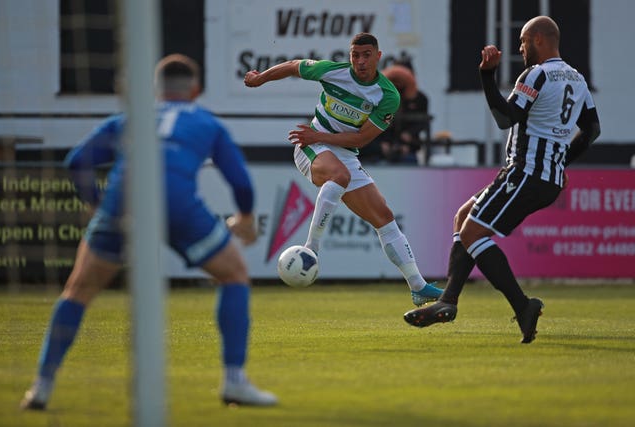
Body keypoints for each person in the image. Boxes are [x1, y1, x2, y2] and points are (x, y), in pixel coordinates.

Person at [20, 54, 277, 409]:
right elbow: (240, 181)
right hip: (177, 202)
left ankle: (42, 386)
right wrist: (245, 217)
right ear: (196, 89)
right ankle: (234, 381)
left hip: (123, 199)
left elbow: (77, 161)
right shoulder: (206, 122)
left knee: (77, 291)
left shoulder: (130, 119)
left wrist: (97, 205)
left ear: (154, 90)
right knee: (233, 276)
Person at [403, 16, 601, 343]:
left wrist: (486, 76)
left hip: (525, 172)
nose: (520, 48)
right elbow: (593, 130)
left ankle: (523, 306)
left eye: (523, 41)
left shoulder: (536, 74)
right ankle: (448, 301)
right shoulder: (578, 79)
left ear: (538, 39)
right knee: (464, 218)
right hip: (542, 176)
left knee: (472, 232)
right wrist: (560, 161)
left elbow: (505, 118)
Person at [244, 33, 443, 306]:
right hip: (310, 146)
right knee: (340, 176)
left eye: (366, 55)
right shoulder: (333, 72)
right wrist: (260, 78)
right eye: (355, 55)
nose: (360, 61)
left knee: (384, 216)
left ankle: (418, 286)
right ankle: (311, 248)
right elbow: (293, 65)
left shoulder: (387, 96)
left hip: (340, 149)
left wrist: (322, 138)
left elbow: (361, 139)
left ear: (378, 56)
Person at [371, 62, 430, 164]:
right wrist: (381, 144)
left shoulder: (420, 99)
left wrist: (409, 134)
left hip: (409, 148)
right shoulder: (380, 96)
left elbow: (423, 122)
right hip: (382, 148)